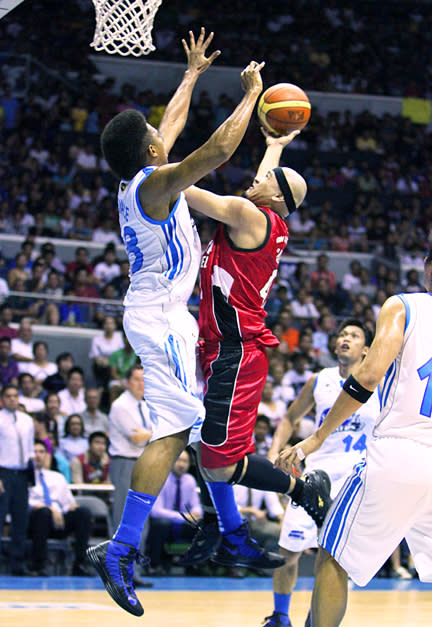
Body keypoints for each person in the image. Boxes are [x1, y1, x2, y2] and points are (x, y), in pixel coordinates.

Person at [87, 28, 266, 616]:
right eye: (154, 137)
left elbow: (170, 131)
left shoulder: (139, 176)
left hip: (163, 314)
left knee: (192, 425)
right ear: (151, 153)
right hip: (160, 316)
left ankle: (230, 530)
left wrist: (190, 74)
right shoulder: (158, 183)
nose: (162, 137)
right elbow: (213, 152)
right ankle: (120, 548)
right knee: (172, 430)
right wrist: (249, 98)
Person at [181, 130, 331, 573]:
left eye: (269, 179)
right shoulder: (264, 216)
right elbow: (270, 178)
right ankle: (229, 534)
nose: (257, 178)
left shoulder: (248, 215)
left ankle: (302, 491)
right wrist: (276, 141)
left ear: (278, 197)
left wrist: (146, 169)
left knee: (219, 463)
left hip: (237, 352)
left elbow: (183, 187)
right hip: (222, 351)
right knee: (209, 450)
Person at [279, 250, 432, 627]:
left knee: (332, 554)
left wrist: (316, 437)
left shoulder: (405, 305)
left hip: (402, 452)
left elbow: (368, 376)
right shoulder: (320, 378)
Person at [262, 319, 379, 627]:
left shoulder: (378, 382)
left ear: (367, 350)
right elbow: (289, 417)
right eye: (342, 335)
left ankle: (317, 619)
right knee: (288, 550)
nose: (345, 339)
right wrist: (275, 450)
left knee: (333, 557)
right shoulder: (320, 379)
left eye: (353, 336)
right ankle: (280, 615)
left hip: (355, 479)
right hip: (316, 475)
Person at [28, 440, 92, 576]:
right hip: (35, 521)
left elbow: (69, 503)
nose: (38, 455)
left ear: (47, 455)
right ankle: (39, 565)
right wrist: (52, 510)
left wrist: (71, 508)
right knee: (43, 513)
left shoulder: (57, 477)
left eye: (41, 452)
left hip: (59, 521)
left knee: (83, 513)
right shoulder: (23, 477)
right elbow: (26, 504)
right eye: (35, 452)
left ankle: (80, 564)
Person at [147, 449, 202, 575]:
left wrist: (195, 513)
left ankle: (194, 564)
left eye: (185, 461)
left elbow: (196, 506)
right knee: (161, 524)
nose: (181, 464)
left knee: (203, 524)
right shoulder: (161, 478)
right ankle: (154, 565)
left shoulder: (190, 480)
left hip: (182, 523)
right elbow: (156, 511)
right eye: (179, 460)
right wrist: (184, 517)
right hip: (164, 523)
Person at [0, 384, 34, 575]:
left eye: (15, 395)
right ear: (3, 399)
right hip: (3, 472)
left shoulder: (27, 420)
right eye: (8, 396)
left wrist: (30, 475)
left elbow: (29, 449)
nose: (12, 399)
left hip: (21, 473)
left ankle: (17, 564)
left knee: (20, 521)